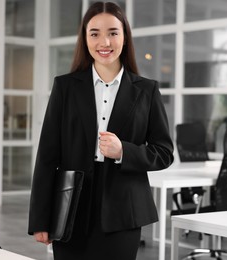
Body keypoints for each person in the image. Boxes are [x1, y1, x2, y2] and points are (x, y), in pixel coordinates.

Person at [27, 2, 174, 260]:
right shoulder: (65, 87)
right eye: (94, 33)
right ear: (85, 39)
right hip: (71, 204)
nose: (104, 42)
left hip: (123, 209)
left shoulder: (147, 90)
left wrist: (123, 151)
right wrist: (40, 218)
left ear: (125, 37)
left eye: (113, 33)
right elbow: (47, 156)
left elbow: (163, 153)